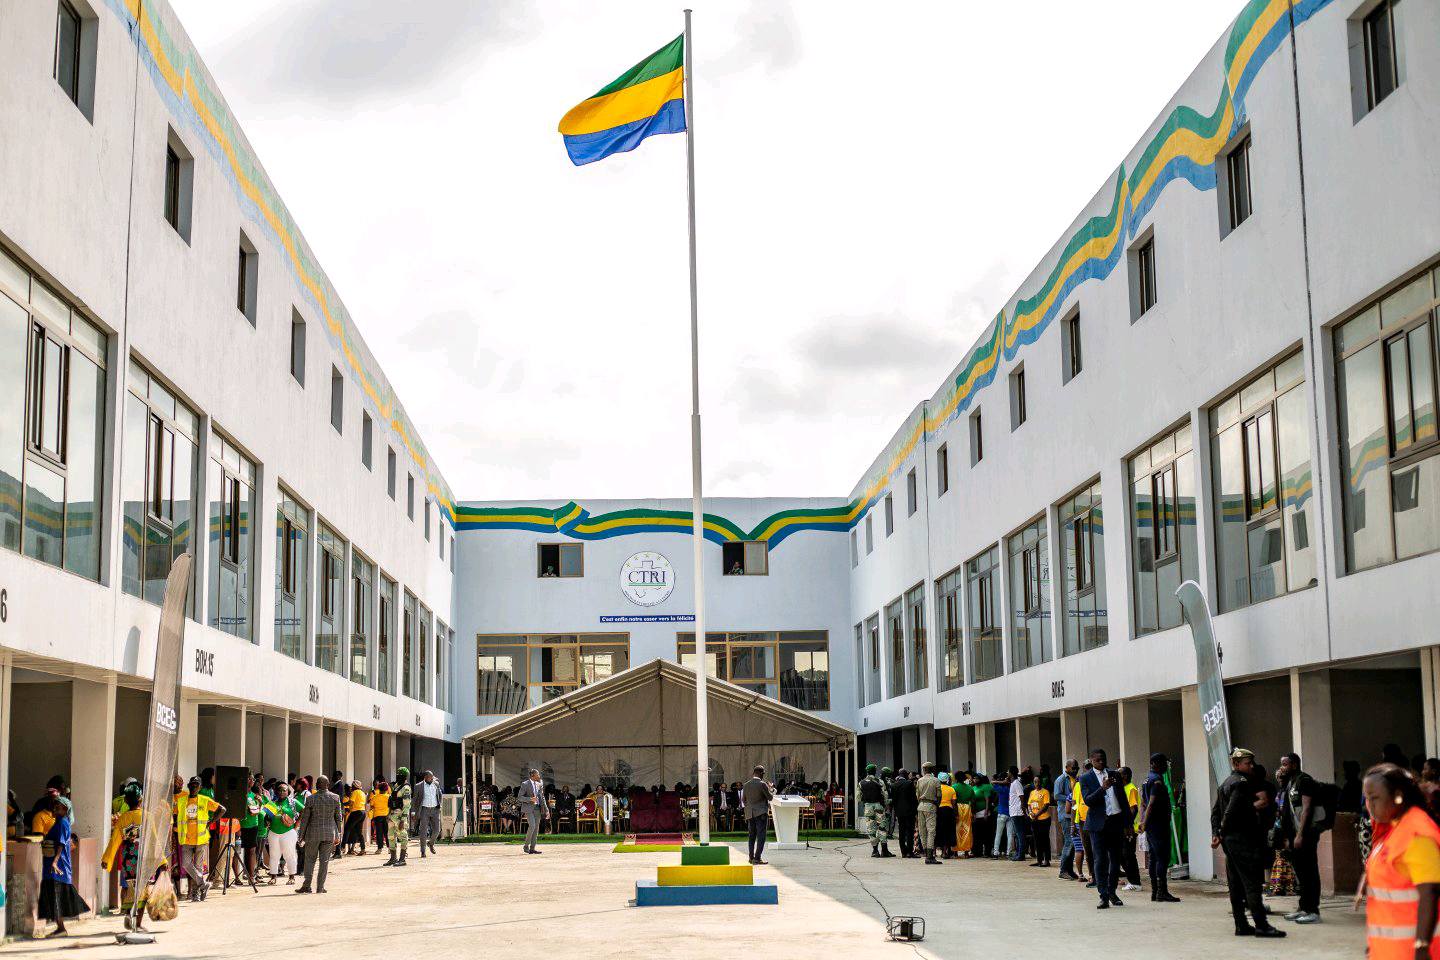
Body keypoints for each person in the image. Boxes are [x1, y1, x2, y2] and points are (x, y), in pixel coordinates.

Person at [1362, 763, 1440, 960]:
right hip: (1389, 951)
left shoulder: (1417, 833)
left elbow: (1430, 892)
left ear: (1397, 795)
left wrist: (1422, 946)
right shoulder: (1392, 827)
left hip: (1412, 952)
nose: (1369, 805)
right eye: (1367, 799)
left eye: (1375, 798)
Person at [1212, 748, 1286, 937]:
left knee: (1235, 885)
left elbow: (1215, 812)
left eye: (1252, 762)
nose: (1251, 766)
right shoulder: (1241, 784)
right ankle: (1262, 925)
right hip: (1242, 840)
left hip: (1230, 842)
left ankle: (1241, 925)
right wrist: (1222, 830)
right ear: (1236, 764)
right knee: (1252, 884)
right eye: (1247, 763)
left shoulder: (1225, 783)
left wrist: (1217, 833)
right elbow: (1230, 812)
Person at [1277, 752, 1324, 924]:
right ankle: (1303, 907)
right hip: (1294, 835)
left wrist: (1300, 835)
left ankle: (1313, 910)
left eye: (1285, 764)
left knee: (1309, 870)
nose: (1282, 767)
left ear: (1294, 765)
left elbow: (1306, 808)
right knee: (1301, 872)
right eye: (1282, 764)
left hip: (1306, 834)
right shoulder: (1290, 782)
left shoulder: (1305, 780)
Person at [1080, 748, 1129, 909]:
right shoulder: (1085, 778)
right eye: (1098, 760)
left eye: (1103, 759)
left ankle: (1112, 892)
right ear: (1092, 761)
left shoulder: (1114, 774)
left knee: (1115, 860)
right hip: (1098, 825)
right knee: (1100, 860)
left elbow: (1122, 798)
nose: (1101, 762)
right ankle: (1103, 895)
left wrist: (1128, 823)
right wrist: (1103, 788)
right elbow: (1088, 800)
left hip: (1115, 822)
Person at [37, 797, 86, 937]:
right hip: (52, 866)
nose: (55, 808)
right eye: (54, 806)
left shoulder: (63, 823)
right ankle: (59, 927)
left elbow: (62, 844)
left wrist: (54, 862)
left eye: (58, 806)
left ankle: (61, 928)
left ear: (65, 809)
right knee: (53, 895)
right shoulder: (57, 823)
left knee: (56, 896)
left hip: (59, 866)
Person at [175, 776, 224, 902]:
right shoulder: (181, 801)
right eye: (192, 784)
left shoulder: (204, 800)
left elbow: (222, 809)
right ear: (188, 785)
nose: (194, 787)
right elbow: (175, 814)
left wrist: (211, 821)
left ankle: (196, 894)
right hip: (186, 839)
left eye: (196, 785)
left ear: (200, 787)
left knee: (198, 867)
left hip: (201, 839)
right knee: (186, 864)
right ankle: (204, 884)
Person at [1141, 753, 1180, 903]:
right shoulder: (1157, 781)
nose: (1166, 766)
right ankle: (1161, 892)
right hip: (1158, 824)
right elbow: (1150, 803)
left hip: (1152, 824)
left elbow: (1143, 804)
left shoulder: (1146, 779)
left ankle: (1155, 892)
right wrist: (1144, 822)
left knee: (1153, 857)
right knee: (1162, 858)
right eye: (1164, 763)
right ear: (1155, 763)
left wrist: (1144, 821)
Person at [296, 775, 342, 894]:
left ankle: (307, 886)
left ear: (317, 785)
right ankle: (320, 887)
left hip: (313, 834)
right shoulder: (335, 798)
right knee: (324, 861)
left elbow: (305, 819)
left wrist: (301, 835)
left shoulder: (311, 799)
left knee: (310, 860)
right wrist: (339, 833)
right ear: (328, 785)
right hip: (329, 834)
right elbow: (338, 818)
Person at [264, 782, 302, 884]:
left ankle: (291, 877)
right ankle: (273, 877)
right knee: (274, 855)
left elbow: (304, 810)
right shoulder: (272, 803)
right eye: (279, 790)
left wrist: (297, 823)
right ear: (276, 792)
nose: (281, 792)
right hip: (273, 832)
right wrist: (267, 819)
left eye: (284, 790)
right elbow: (266, 818)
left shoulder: (292, 802)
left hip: (288, 832)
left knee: (289, 855)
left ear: (288, 792)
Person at [859, 764, 895, 858]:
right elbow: (885, 795)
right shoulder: (880, 781)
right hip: (879, 806)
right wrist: (888, 803)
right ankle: (884, 850)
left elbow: (859, 798)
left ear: (867, 772)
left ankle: (875, 851)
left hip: (868, 807)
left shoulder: (861, 782)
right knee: (882, 828)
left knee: (871, 829)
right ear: (875, 771)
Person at [742, 765, 774, 865]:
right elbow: (770, 798)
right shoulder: (762, 784)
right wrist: (772, 789)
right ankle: (757, 858)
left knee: (751, 836)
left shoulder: (746, 785)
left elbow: (743, 800)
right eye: (763, 774)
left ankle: (751, 857)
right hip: (760, 814)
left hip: (750, 814)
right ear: (760, 773)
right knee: (761, 836)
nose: (763, 776)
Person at [1119, 767, 1142, 891]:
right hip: (1123, 827)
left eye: (1120, 774)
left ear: (1126, 776)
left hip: (1129, 829)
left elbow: (1134, 809)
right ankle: (1131, 879)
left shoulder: (1131, 789)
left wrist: (1127, 826)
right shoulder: (1123, 789)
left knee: (1128, 855)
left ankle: (1135, 882)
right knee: (1122, 855)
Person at [1056, 759, 1079, 879]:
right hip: (1065, 815)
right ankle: (1063, 870)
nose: (1075, 770)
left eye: (1077, 768)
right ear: (1067, 768)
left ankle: (1069, 870)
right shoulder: (1061, 779)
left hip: (1074, 814)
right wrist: (1071, 798)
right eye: (1073, 768)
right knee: (1069, 841)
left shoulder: (1077, 779)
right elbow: (1056, 795)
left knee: (1073, 843)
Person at [914, 764, 941, 865]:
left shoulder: (920, 780)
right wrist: (936, 805)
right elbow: (939, 796)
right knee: (931, 831)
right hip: (931, 806)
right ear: (932, 769)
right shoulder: (936, 780)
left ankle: (926, 853)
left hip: (921, 806)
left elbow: (917, 795)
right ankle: (930, 856)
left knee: (922, 831)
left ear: (924, 770)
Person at [519, 768, 549, 854]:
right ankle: (526, 846)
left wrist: (546, 810)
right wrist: (530, 799)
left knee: (536, 829)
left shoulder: (539, 784)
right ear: (532, 775)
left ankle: (532, 848)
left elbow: (542, 798)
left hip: (537, 809)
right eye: (537, 774)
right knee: (532, 826)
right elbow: (520, 797)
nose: (539, 776)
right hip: (528, 808)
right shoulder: (525, 784)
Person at [386, 769, 412, 866]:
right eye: (398, 774)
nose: (398, 776)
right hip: (392, 815)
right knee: (391, 836)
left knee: (403, 836)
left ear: (405, 776)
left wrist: (403, 819)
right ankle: (393, 858)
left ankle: (402, 859)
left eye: (400, 775)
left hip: (400, 815)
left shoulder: (406, 788)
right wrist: (388, 814)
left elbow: (406, 805)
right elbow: (392, 800)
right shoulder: (397, 786)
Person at [891, 769, 918, 859]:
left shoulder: (894, 785)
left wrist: (896, 811)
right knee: (910, 831)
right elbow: (913, 798)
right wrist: (915, 811)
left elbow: (893, 800)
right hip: (909, 811)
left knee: (901, 832)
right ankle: (910, 852)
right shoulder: (909, 783)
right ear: (905, 775)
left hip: (900, 812)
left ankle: (903, 852)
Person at [416, 769, 442, 856]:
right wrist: (413, 812)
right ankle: (423, 851)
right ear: (425, 777)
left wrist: (439, 805)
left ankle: (431, 843)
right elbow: (415, 800)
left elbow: (440, 795)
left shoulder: (436, 784)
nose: (432, 779)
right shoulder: (419, 786)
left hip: (435, 810)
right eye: (430, 777)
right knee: (423, 831)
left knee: (437, 830)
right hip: (424, 810)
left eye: (432, 777)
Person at [1028, 775, 1053, 867]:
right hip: (1034, 819)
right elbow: (1029, 804)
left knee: (1045, 839)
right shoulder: (1032, 793)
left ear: (1041, 782)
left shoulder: (1045, 792)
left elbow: (1046, 806)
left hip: (1044, 819)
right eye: (1035, 782)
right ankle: (1039, 860)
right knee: (1037, 840)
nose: (1037, 783)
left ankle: (1047, 860)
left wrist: (1036, 815)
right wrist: (1031, 813)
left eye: (1038, 781)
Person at [952, 773, 974, 857]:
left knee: (956, 829)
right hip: (967, 808)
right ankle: (966, 852)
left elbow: (953, 800)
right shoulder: (969, 788)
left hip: (957, 808)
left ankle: (955, 852)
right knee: (967, 829)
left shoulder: (954, 787)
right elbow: (973, 800)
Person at [370, 779, 391, 853]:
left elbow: (371, 805)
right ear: (386, 789)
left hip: (377, 816)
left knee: (379, 832)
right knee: (387, 832)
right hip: (387, 816)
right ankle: (389, 848)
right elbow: (391, 806)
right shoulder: (388, 797)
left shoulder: (375, 797)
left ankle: (379, 849)